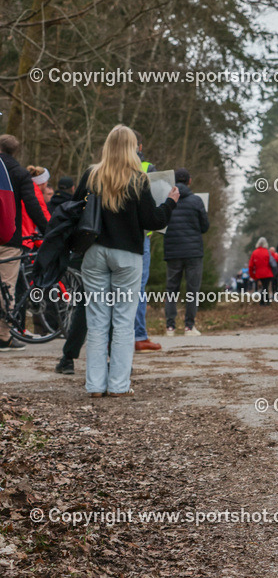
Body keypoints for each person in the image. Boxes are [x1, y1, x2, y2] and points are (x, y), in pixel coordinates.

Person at [73, 125, 178, 396]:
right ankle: (119, 386)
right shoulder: (138, 179)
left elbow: (73, 213)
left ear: (107, 146)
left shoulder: (91, 175)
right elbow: (151, 221)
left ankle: (95, 385)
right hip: (128, 255)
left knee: (96, 321)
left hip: (94, 252)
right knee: (122, 322)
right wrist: (170, 202)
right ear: (133, 148)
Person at [0, 135, 48, 352]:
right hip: (9, 237)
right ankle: (3, 337)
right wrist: (48, 231)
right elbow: (32, 206)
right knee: (7, 286)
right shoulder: (19, 173)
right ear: (15, 152)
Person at [163, 168, 209, 336]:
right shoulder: (197, 201)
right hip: (193, 252)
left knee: (171, 290)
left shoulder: (166, 200)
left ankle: (170, 327)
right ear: (190, 181)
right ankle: (189, 326)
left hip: (172, 250)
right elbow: (205, 227)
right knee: (192, 290)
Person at [134, 155, 161, 352]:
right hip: (141, 234)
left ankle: (112, 337)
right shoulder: (147, 167)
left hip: (115, 235)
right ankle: (139, 336)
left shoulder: (106, 166)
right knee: (138, 286)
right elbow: (154, 202)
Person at [21, 166, 51, 248]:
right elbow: (44, 217)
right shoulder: (36, 193)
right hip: (25, 238)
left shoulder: (24, 189)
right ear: (43, 182)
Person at [248, 238, 276, 305]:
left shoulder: (254, 252)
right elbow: (274, 261)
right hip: (268, 273)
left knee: (264, 287)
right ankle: (265, 301)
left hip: (259, 274)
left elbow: (251, 266)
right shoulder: (268, 252)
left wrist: (253, 275)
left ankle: (263, 301)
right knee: (265, 286)